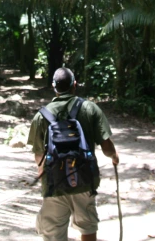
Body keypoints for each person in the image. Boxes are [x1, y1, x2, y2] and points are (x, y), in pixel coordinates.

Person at [27, 67, 120, 241]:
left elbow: (38, 155)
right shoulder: (90, 109)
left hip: (54, 182)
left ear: (54, 87)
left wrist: (43, 174)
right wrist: (114, 157)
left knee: (53, 232)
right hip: (83, 180)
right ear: (74, 85)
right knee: (87, 227)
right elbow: (107, 147)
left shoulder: (41, 116)